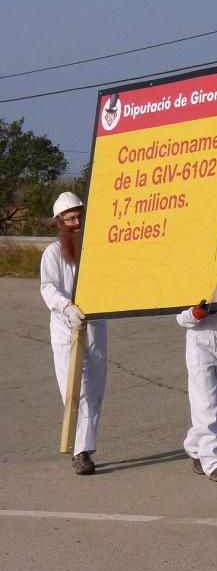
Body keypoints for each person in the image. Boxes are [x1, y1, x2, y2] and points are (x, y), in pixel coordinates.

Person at [40, 191, 108, 476]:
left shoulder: (96, 250)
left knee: (94, 391)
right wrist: (67, 307)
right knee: (75, 391)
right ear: (60, 222)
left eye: (79, 216)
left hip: (95, 328)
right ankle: (80, 452)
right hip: (66, 329)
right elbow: (48, 287)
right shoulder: (53, 253)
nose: (76, 222)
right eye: (70, 219)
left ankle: (86, 447)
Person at [177, 300, 217, 482]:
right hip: (199, 344)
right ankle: (214, 462)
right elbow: (180, 318)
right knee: (206, 405)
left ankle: (194, 445)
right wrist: (196, 313)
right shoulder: (187, 278)